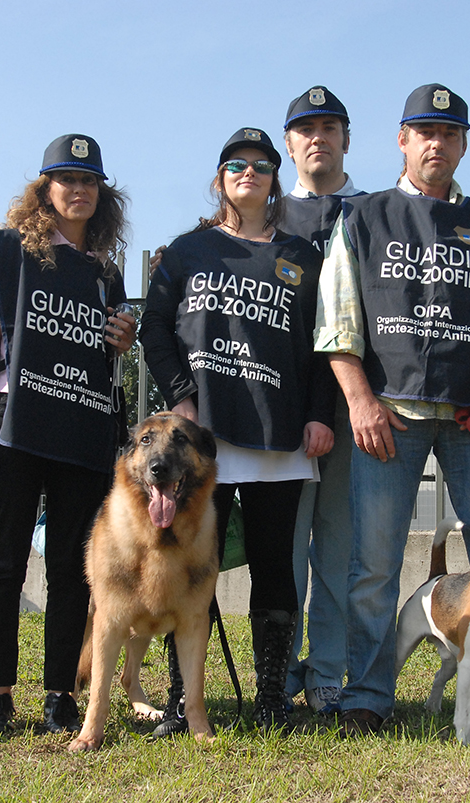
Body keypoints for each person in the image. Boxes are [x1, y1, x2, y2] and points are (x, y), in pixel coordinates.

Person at [314, 84, 470, 736]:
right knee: (374, 566)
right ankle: (367, 694)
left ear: (464, 144)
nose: (436, 143)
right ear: (402, 140)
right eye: (424, 132)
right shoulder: (364, 217)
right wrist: (359, 400)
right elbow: (337, 321)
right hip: (389, 417)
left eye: (449, 133)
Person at [141, 127, 335, 732]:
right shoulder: (188, 250)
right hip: (203, 441)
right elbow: (153, 328)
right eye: (235, 164)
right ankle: (183, 698)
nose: (248, 172)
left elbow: (325, 345)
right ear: (219, 178)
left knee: (274, 565)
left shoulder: (304, 257)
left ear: (275, 180)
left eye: (261, 165)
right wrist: (182, 399)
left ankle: (272, 697)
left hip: (279, 438)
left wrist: (319, 414)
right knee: (189, 567)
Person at [0, 134, 137, 736]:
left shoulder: (106, 274)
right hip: (13, 422)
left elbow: (107, 357)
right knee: (5, 562)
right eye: (67, 180)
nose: (79, 190)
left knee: (68, 568)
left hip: (82, 427)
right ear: (45, 190)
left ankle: (60, 695)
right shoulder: (13, 252)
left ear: (102, 194)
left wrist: (123, 342)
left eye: (89, 181)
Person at [279, 86, 365, 716]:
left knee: (337, 549)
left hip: (351, 405)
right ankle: (279, 671)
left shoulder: (374, 211)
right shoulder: (267, 213)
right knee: (284, 551)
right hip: (283, 408)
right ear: (289, 145)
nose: (318, 138)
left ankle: (328, 670)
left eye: (329, 127)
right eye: (306, 129)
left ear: (346, 139)